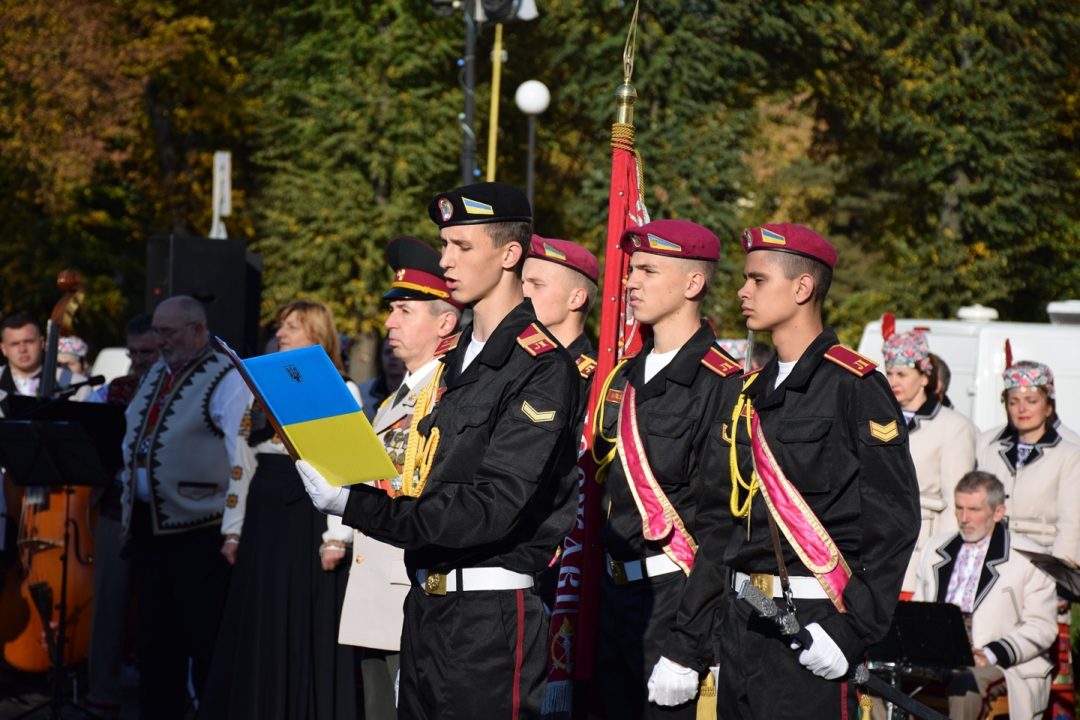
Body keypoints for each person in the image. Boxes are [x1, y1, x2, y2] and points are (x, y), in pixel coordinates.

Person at [300, 181, 580, 720]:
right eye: (444, 244)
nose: (445, 260)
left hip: (488, 619)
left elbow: (490, 507)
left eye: (462, 246)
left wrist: (353, 505)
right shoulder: (452, 364)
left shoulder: (541, 367)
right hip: (425, 602)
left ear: (510, 254)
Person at [662, 223, 920, 718]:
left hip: (815, 622)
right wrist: (688, 641)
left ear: (802, 288)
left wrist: (851, 631)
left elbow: (894, 521)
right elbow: (721, 525)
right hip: (741, 624)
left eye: (758, 280)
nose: (742, 291)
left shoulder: (854, 386)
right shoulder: (747, 393)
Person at [589, 220, 741, 718]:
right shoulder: (622, 377)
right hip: (613, 601)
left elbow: (722, 527)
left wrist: (686, 647)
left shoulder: (723, 384)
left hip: (674, 600)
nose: (630, 282)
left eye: (649, 271)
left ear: (693, 284)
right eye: (632, 270)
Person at [198, 300, 359, 720]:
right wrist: (233, 530)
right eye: (280, 325)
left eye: (293, 326)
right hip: (264, 516)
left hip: (309, 517)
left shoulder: (340, 386)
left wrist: (337, 536)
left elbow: (346, 468)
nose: (281, 333)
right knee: (259, 620)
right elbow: (242, 463)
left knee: (302, 620)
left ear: (317, 334)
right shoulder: (259, 392)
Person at [337, 236, 462, 720]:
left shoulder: (446, 395)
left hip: (407, 592)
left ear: (445, 321)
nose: (389, 322)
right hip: (378, 592)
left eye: (406, 310)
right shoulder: (395, 400)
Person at [120, 295, 249, 720]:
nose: (159, 341)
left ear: (197, 330)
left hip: (199, 531)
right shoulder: (158, 372)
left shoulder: (225, 376)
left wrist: (234, 527)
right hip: (148, 529)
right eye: (156, 331)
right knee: (155, 647)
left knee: (203, 641)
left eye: (168, 332)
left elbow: (239, 456)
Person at [912, 471, 1057, 720]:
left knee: (965, 687)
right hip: (940, 657)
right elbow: (919, 608)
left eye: (974, 510)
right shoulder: (934, 548)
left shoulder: (1030, 557)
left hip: (1003, 663)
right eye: (959, 508)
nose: (964, 518)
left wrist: (990, 653)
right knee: (881, 684)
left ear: (998, 512)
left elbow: (1042, 627)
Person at [84, 314, 158, 714]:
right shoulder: (113, 392)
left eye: (148, 351)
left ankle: (158, 689)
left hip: (162, 514)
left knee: (158, 608)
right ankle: (103, 688)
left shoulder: (174, 387)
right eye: (134, 353)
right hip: (116, 509)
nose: (140, 360)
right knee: (109, 605)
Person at [881, 326, 976, 595]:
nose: (893, 381)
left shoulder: (954, 426)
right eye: (889, 373)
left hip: (922, 545)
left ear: (924, 377)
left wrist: (939, 557)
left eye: (902, 374)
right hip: (877, 547)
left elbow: (956, 499)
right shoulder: (877, 419)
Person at [975, 358, 1080, 564]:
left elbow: (1071, 523)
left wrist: (1059, 572)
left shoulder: (1069, 454)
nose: (1022, 409)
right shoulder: (991, 449)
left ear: (1048, 407)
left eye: (1032, 401)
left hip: (1043, 558)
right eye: (1014, 402)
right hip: (995, 556)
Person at [522, 234, 599, 386]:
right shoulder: (516, 357)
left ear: (576, 299)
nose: (522, 292)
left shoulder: (592, 381)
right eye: (522, 282)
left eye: (537, 285)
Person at [0, 313, 91, 415]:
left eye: (29, 342)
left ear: (42, 343)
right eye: (15, 344)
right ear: (3, 349)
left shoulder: (78, 385)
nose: (22, 349)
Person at [358, 336, 406, 421]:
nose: (393, 357)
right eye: (387, 352)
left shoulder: (422, 390)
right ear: (380, 357)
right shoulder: (362, 393)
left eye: (397, 351)